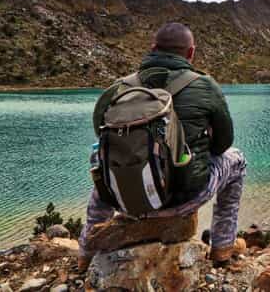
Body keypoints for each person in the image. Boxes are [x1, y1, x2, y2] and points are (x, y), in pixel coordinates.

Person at [77, 23, 245, 270]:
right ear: (190, 53)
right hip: (184, 199)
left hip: (126, 200)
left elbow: (103, 141)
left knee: (107, 165)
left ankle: (86, 252)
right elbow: (223, 144)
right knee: (237, 159)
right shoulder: (206, 86)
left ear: (153, 48)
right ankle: (222, 249)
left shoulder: (118, 89)